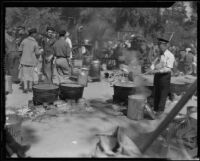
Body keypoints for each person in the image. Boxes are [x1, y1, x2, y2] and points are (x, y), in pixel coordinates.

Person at [150, 37, 175, 116]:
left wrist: (157, 70)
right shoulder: (159, 54)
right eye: (159, 45)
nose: (159, 47)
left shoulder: (170, 56)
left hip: (165, 77)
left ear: (165, 46)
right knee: (156, 92)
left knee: (163, 94)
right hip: (157, 76)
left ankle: (160, 111)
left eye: (160, 45)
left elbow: (168, 69)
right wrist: (152, 67)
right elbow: (154, 62)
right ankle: (155, 109)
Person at [18, 28, 41, 93]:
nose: (36, 35)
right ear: (33, 34)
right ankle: (30, 88)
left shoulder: (24, 41)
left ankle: (25, 88)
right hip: (32, 61)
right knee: (31, 75)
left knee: (25, 75)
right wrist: (41, 51)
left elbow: (20, 51)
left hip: (24, 61)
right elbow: (37, 53)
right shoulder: (35, 42)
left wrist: (22, 58)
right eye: (35, 34)